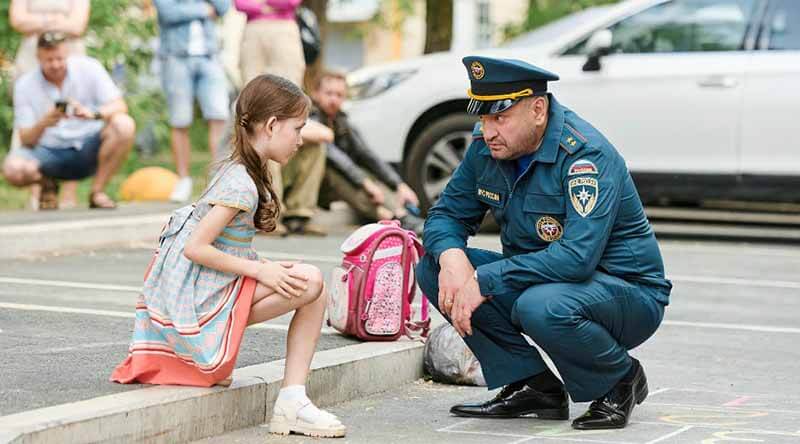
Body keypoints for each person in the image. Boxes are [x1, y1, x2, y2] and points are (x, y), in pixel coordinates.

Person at [416, 56, 672, 430]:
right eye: (483, 117)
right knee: (435, 265)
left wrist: (484, 281)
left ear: (538, 109)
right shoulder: (486, 148)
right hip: (545, 282)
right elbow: (445, 215)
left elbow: (577, 258)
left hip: (626, 294)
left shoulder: (585, 156)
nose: (488, 131)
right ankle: (532, 386)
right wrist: (454, 261)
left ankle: (620, 378)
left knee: (539, 305)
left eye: (499, 117)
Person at [110, 74, 346, 439]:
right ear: (271, 125)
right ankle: (291, 401)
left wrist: (264, 267)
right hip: (195, 304)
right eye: (297, 129)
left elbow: (222, 246)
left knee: (310, 283)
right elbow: (196, 248)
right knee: (311, 280)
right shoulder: (241, 182)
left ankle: (293, 398)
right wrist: (259, 272)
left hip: (204, 291)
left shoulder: (241, 170)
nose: (301, 140)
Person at [2, 32, 135, 210]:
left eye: (60, 58)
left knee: (124, 124)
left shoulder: (89, 68)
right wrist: (44, 122)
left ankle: (97, 192)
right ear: (38, 57)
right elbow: (25, 139)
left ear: (68, 53)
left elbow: (119, 105)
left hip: (88, 145)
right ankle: (47, 183)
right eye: (49, 60)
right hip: (49, 151)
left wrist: (92, 114)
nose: (56, 65)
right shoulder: (25, 85)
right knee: (13, 169)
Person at [295, 70, 424, 235]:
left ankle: (400, 214)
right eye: (329, 93)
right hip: (311, 185)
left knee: (364, 172)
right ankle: (392, 217)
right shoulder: (309, 117)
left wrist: (398, 184)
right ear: (316, 93)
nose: (334, 99)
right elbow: (334, 157)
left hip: (334, 183)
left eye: (339, 95)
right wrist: (365, 183)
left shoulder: (341, 121)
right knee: (337, 171)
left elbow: (366, 155)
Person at [9, 0, 91, 209]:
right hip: (31, 59)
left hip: (68, 54)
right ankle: (38, 189)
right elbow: (17, 20)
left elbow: (78, 25)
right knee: (34, 120)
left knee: (73, 120)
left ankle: (69, 196)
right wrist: (56, 22)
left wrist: (37, 23)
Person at [233, 0, 305, 234]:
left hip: (283, 31)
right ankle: (263, 209)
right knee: (254, 119)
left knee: (288, 115)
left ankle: (281, 209)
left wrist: (262, 3)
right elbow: (241, 4)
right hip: (254, 32)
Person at [153, 0, 232, 202]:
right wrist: (203, 9)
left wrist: (189, 9)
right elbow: (168, 12)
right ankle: (183, 179)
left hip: (209, 55)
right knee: (180, 120)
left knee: (219, 116)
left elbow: (223, 7)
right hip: (175, 57)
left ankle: (219, 177)